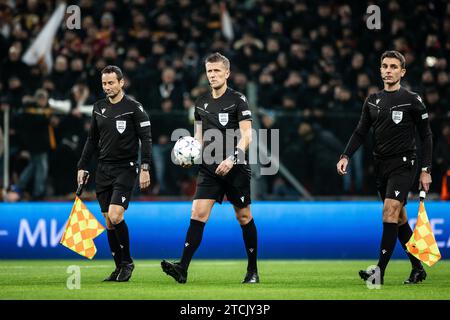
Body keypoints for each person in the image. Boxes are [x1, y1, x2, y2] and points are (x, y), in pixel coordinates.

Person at [161, 53, 259, 284]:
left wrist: (232, 158)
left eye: (217, 71)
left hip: (235, 167)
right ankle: (182, 268)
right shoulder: (201, 103)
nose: (212, 75)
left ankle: (252, 271)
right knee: (197, 213)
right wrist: (191, 156)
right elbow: (198, 137)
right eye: (209, 71)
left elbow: (247, 135)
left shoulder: (238, 100)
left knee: (243, 216)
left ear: (227, 73)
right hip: (209, 168)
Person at [336, 51, 433, 285]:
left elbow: (426, 136)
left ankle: (378, 273)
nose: (388, 70)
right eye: (384, 66)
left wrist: (425, 169)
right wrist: (346, 155)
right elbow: (360, 132)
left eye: (393, 66)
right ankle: (418, 268)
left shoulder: (412, 99)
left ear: (402, 72)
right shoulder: (372, 100)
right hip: (381, 166)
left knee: (389, 211)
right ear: (380, 70)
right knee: (398, 219)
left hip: (404, 164)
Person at [77, 65, 152, 282]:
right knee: (109, 222)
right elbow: (91, 140)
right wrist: (82, 166)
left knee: (116, 215)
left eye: (111, 83)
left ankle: (127, 263)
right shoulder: (98, 107)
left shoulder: (134, 108)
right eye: (104, 83)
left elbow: (145, 139)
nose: (107, 87)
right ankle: (118, 267)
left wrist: (145, 167)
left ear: (121, 83)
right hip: (103, 169)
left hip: (126, 168)